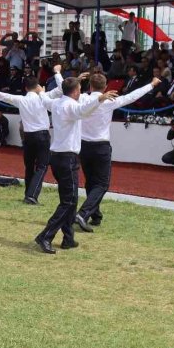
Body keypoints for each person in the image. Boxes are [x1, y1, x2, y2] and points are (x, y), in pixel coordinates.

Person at [34, 79, 117, 254]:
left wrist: (40, 91)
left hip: (57, 157)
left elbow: (45, 100)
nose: (82, 91)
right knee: (69, 201)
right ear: (75, 91)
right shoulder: (71, 107)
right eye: (80, 88)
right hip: (67, 159)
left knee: (71, 200)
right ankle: (46, 236)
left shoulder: (56, 103)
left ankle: (68, 238)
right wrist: (100, 99)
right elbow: (83, 110)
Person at [75, 74, 160, 233]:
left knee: (91, 182)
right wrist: (152, 84)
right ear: (105, 87)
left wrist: (77, 80)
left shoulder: (82, 99)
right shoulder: (108, 101)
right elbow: (131, 97)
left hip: (84, 145)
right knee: (102, 184)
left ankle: (95, 215)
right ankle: (83, 213)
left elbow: (68, 93)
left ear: (90, 86)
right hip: (100, 146)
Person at [0, 66, 68, 205]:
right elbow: (61, 89)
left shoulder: (21, 99)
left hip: (28, 137)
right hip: (42, 135)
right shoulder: (44, 97)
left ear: (25, 88)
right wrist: (58, 72)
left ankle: (28, 193)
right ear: (37, 86)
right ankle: (32, 195)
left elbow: (3, 96)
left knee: (29, 166)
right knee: (41, 166)